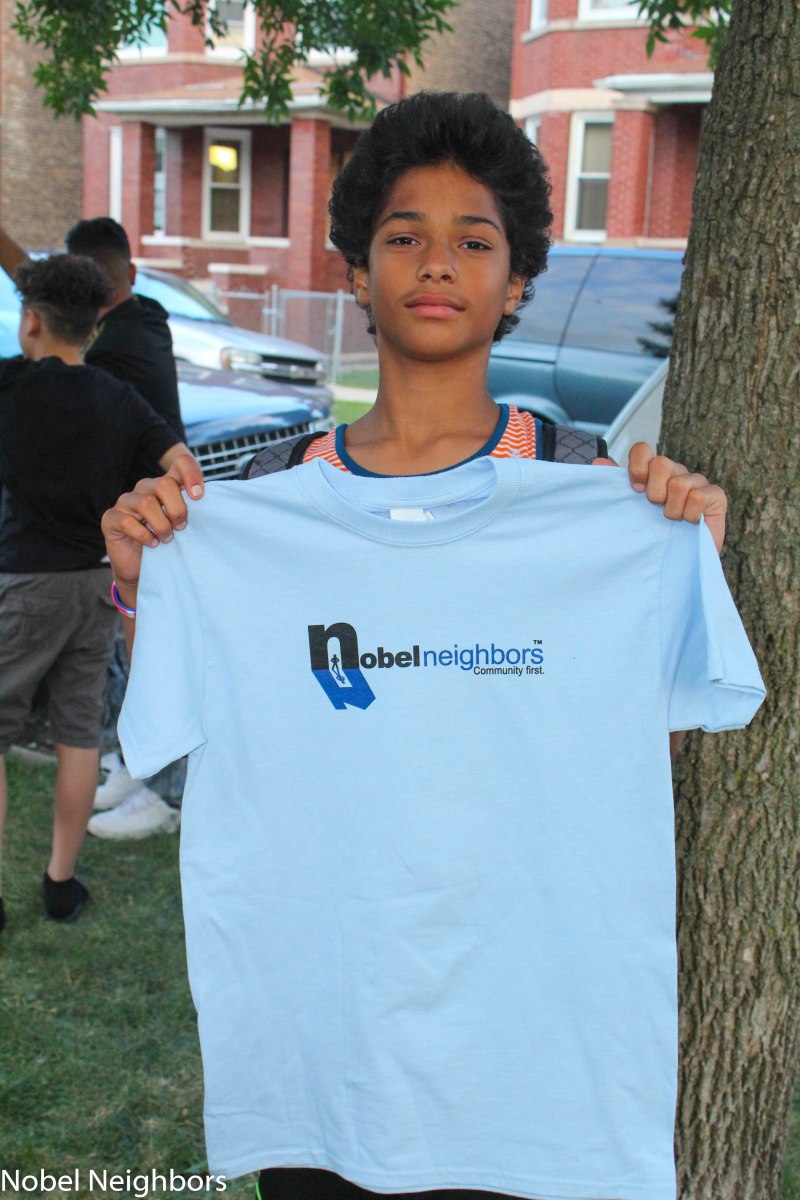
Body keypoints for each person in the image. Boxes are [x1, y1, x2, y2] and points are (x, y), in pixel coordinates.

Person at [101, 94, 762, 1200]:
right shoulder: (250, 503)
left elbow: (646, 752)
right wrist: (144, 589)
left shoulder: (600, 495)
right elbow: (173, 759)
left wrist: (678, 574)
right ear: (357, 274)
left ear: (518, 279)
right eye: (403, 236)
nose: (437, 263)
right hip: (319, 1064)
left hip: (535, 1069)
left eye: (475, 241)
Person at [0, 254, 192, 930]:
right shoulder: (118, 396)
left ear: (31, 321)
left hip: (23, 581)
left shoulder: (10, 386)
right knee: (80, 734)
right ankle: (60, 884)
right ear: (93, 325)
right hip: (95, 585)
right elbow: (183, 466)